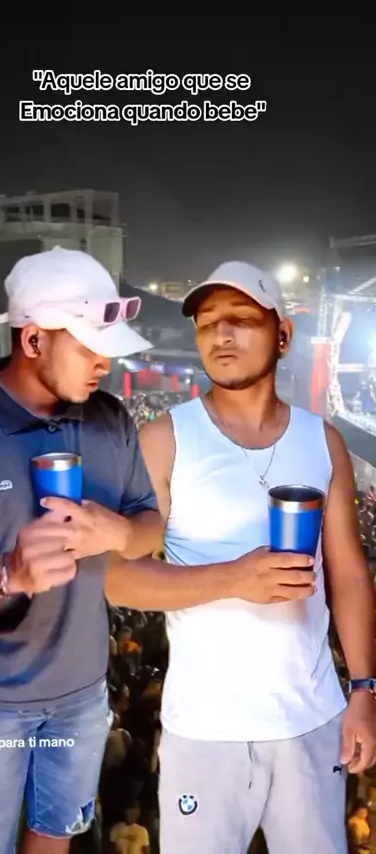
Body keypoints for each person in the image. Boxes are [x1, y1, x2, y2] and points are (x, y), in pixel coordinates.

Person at [0, 247, 165, 854]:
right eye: (88, 346)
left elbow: (150, 525)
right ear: (32, 340)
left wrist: (119, 532)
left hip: (84, 691)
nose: (104, 361)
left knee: (56, 835)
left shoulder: (111, 420)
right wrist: (9, 572)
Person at [137, 261, 376, 854]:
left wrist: (364, 688)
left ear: (283, 335)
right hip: (204, 732)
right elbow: (119, 579)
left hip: (312, 721)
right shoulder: (164, 441)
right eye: (207, 322)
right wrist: (233, 578)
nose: (221, 334)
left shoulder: (323, 441)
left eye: (241, 319)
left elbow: (348, 574)